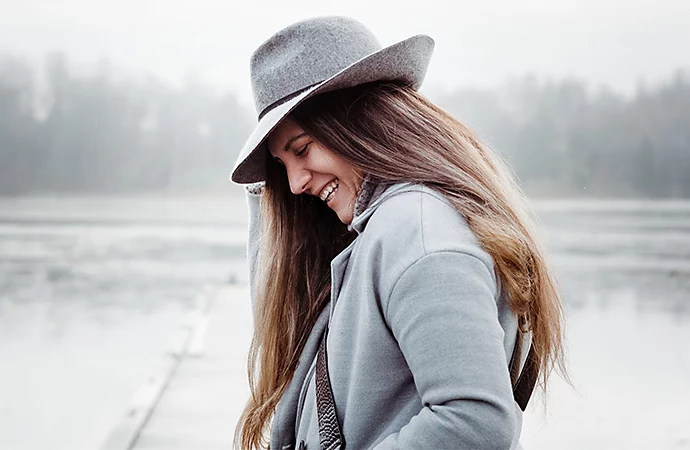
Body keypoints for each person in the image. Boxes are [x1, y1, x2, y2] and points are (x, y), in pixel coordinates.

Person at [231, 16, 566, 450]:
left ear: (359, 123)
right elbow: (283, 328)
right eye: (281, 166)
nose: (295, 183)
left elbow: (475, 423)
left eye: (302, 149)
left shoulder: (417, 234)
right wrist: (264, 198)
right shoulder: (376, 230)